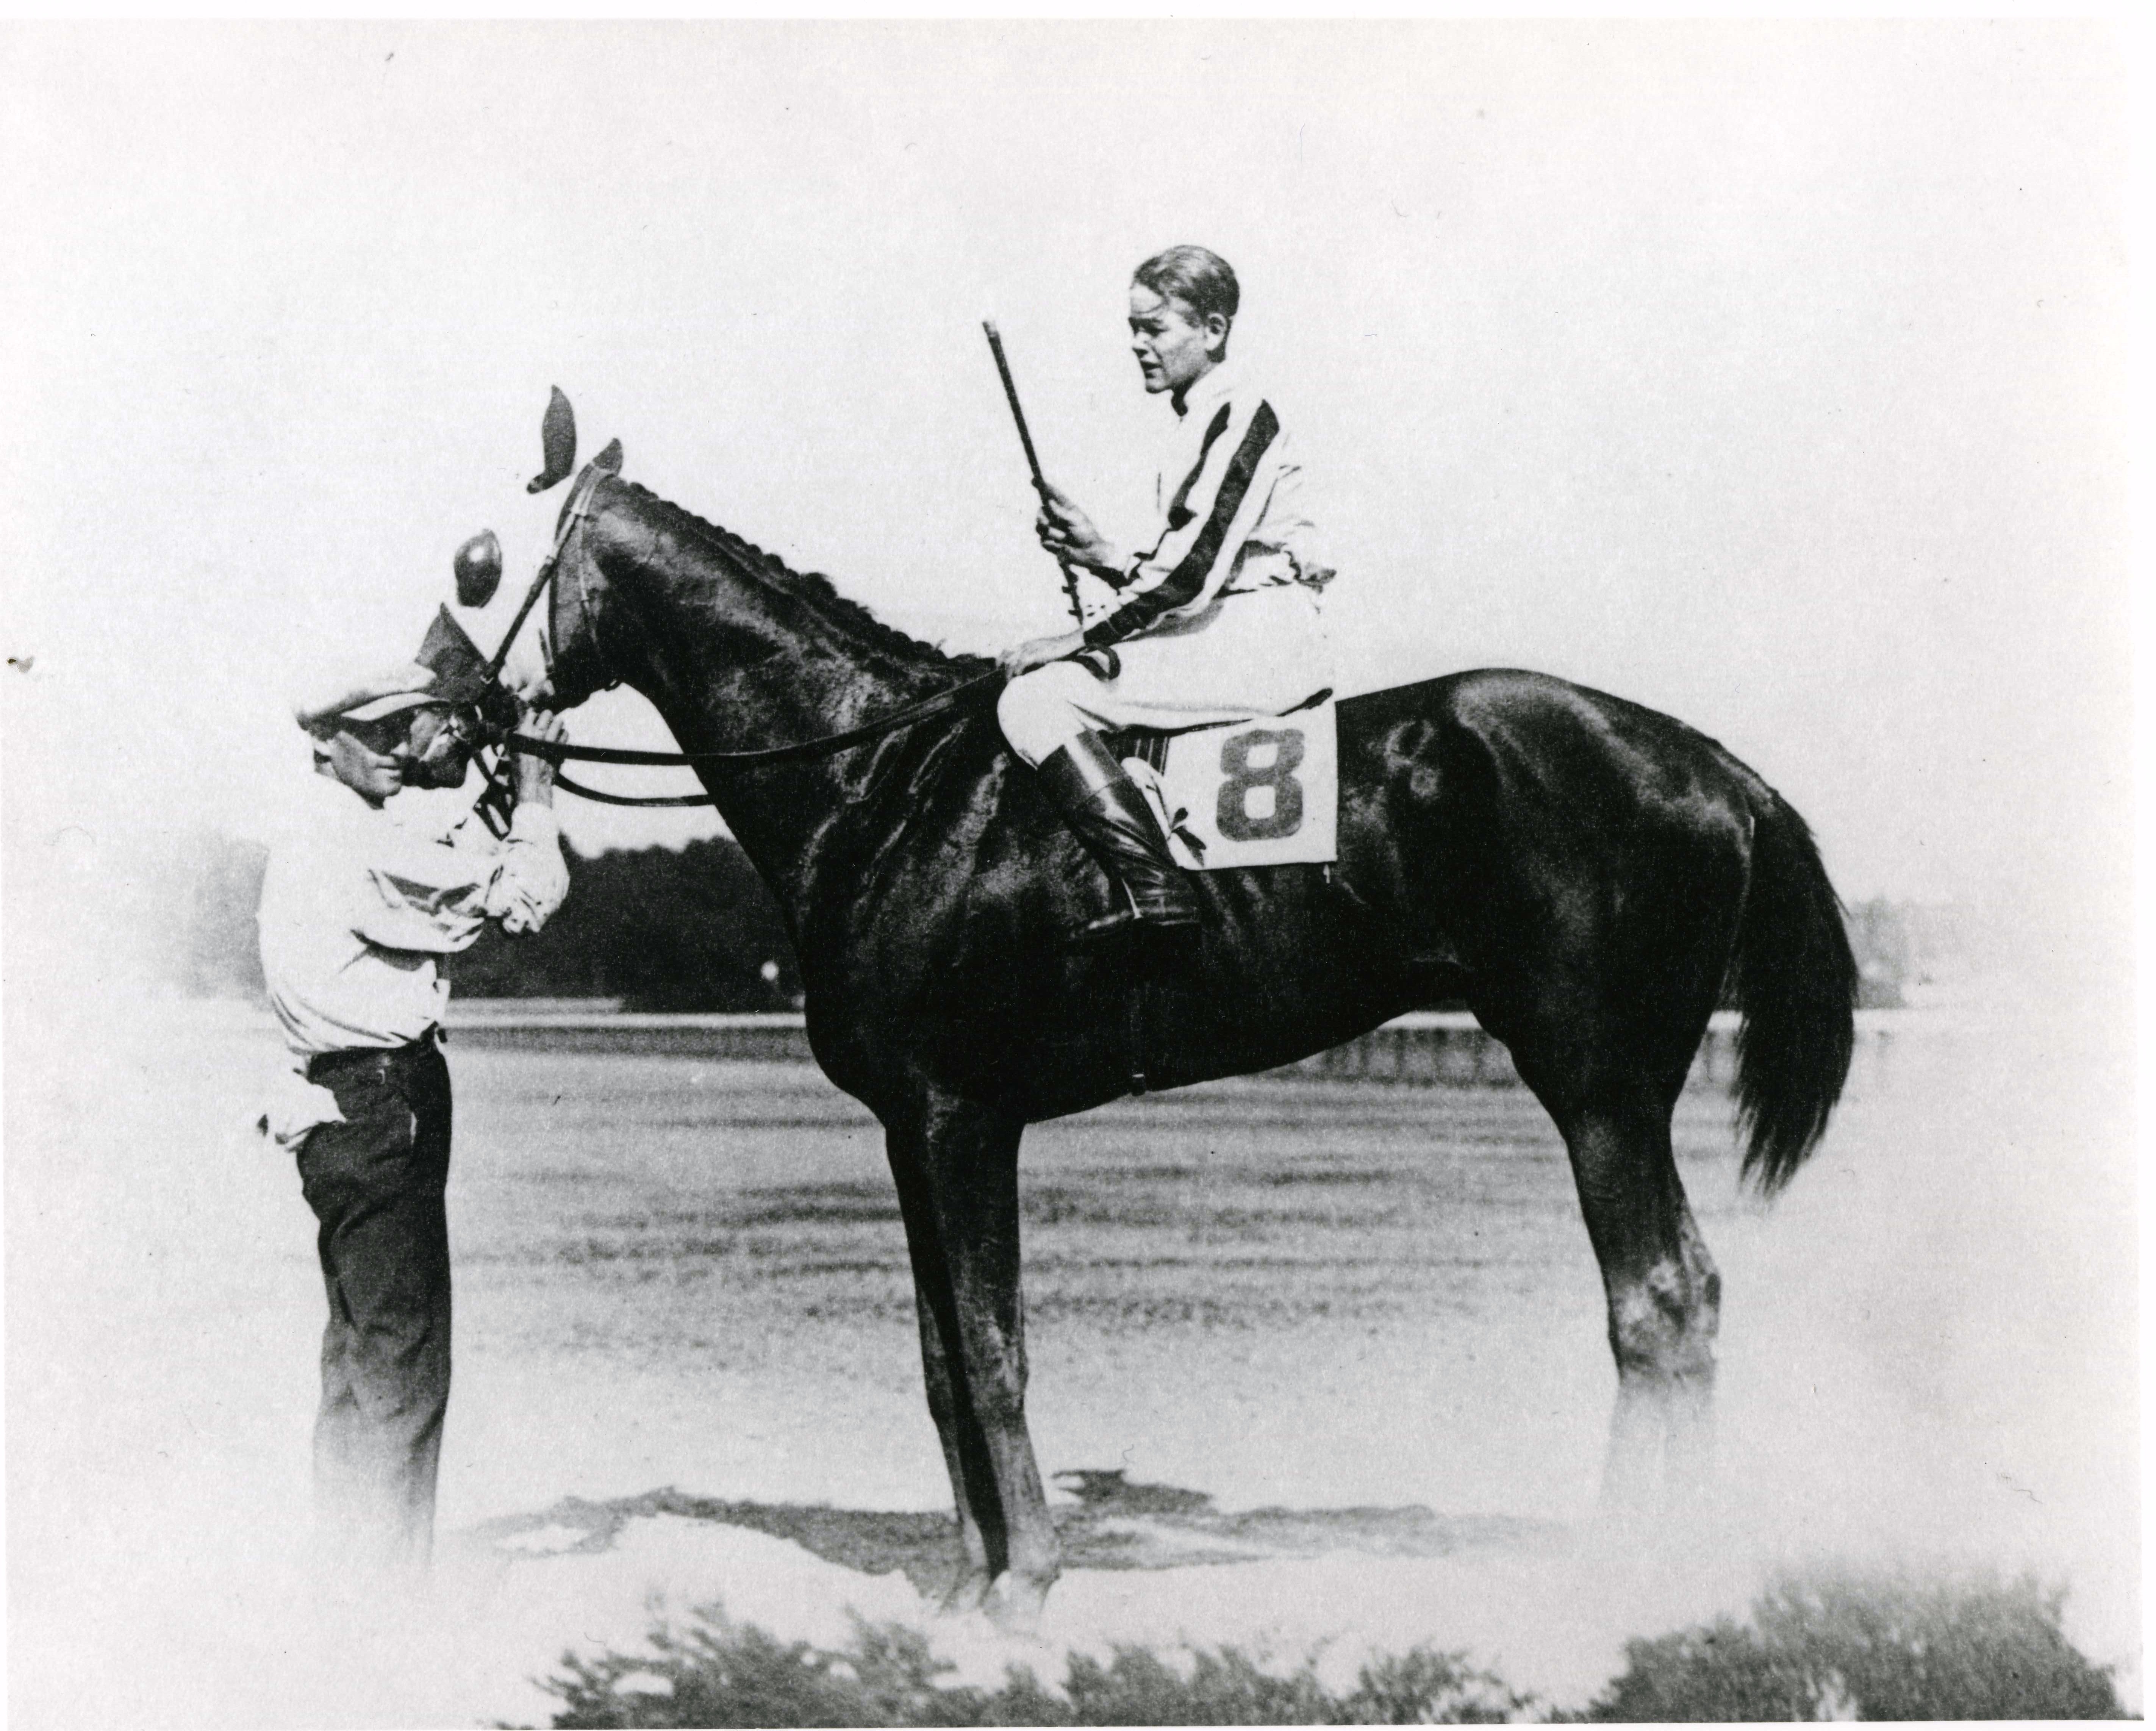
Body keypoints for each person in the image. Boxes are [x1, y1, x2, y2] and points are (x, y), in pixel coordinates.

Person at [256, 608, 567, 1580]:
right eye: (377, 733)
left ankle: (345, 1579)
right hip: (385, 1102)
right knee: (404, 1358)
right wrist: (536, 790)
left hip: (333, 1109)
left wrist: (464, 777)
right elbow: (523, 898)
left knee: (356, 1356)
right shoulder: (361, 840)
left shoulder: (322, 827)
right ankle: (385, 1606)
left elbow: (434, 864)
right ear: (328, 742)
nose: (397, 748)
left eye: (406, 727)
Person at [996, 245, 1334, 946]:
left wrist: (1079, 639)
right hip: (1226, 624)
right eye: (1132, 328)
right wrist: (1102, 555)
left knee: (1034, 698)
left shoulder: (1243, 413)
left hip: (1261, 639)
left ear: (1213, 330)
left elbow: (1189, 577)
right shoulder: (1200, 417)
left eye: (1154, 328)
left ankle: (1157, 891)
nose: (1137, 344)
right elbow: (1187, 571)